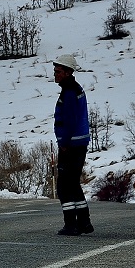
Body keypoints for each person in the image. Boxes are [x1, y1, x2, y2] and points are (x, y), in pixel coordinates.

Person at [52, 54, 93, 236]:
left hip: (72, 145)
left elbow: (68, 120)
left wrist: (64, 142)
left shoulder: (69, 91)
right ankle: (84, 222)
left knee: (65, 185)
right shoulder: (74, 89)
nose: (56, 74)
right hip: (79, 143)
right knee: (73, 183)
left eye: (58, 71)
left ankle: (71, 225)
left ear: (68, 72)